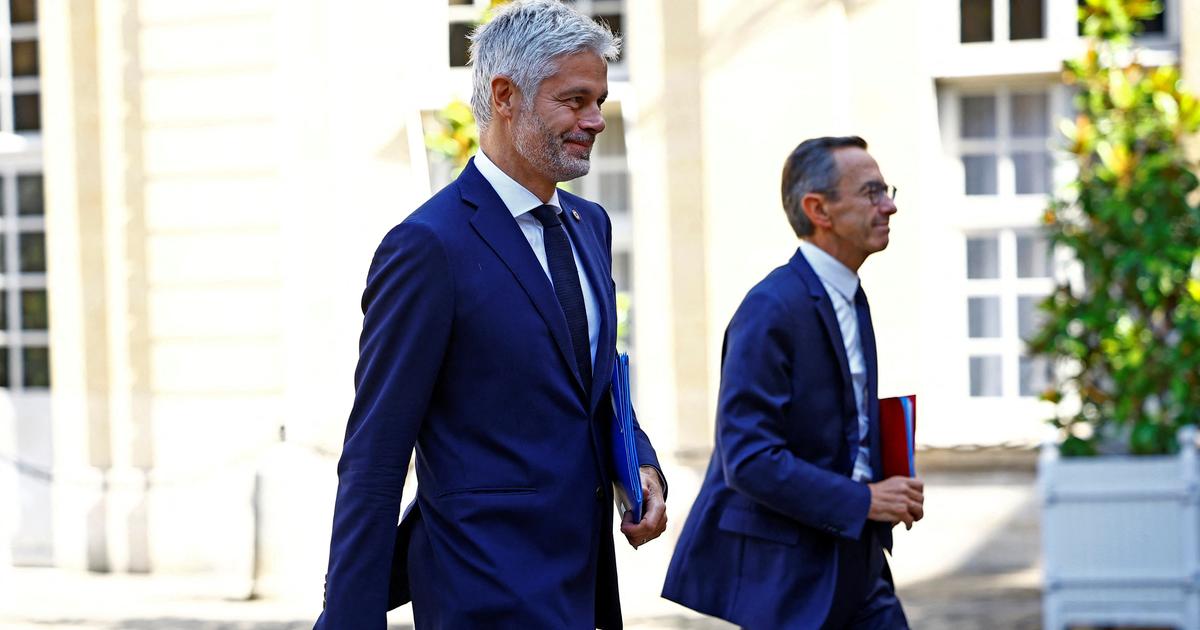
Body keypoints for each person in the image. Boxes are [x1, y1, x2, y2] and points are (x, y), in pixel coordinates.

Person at [315, 2, 667, 628]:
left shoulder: (591, 228)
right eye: (575, 100)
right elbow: (374, 455)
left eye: (599, 100)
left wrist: (640, 463)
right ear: (505, 95)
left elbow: (595, 386)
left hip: (587, 593)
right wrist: (348, 619)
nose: (596, 120)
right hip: (480, 595)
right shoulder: (428, 247)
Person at [661, 136, 923, 629]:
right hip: (792, 578)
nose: (889, 205)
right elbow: (749, 458)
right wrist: (864, 500)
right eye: (871, 193)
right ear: (818, 209)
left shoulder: (851, 295)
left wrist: (888, 483)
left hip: (860, 561)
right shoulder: (771, 309)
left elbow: (843, 429)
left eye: (886, 190)